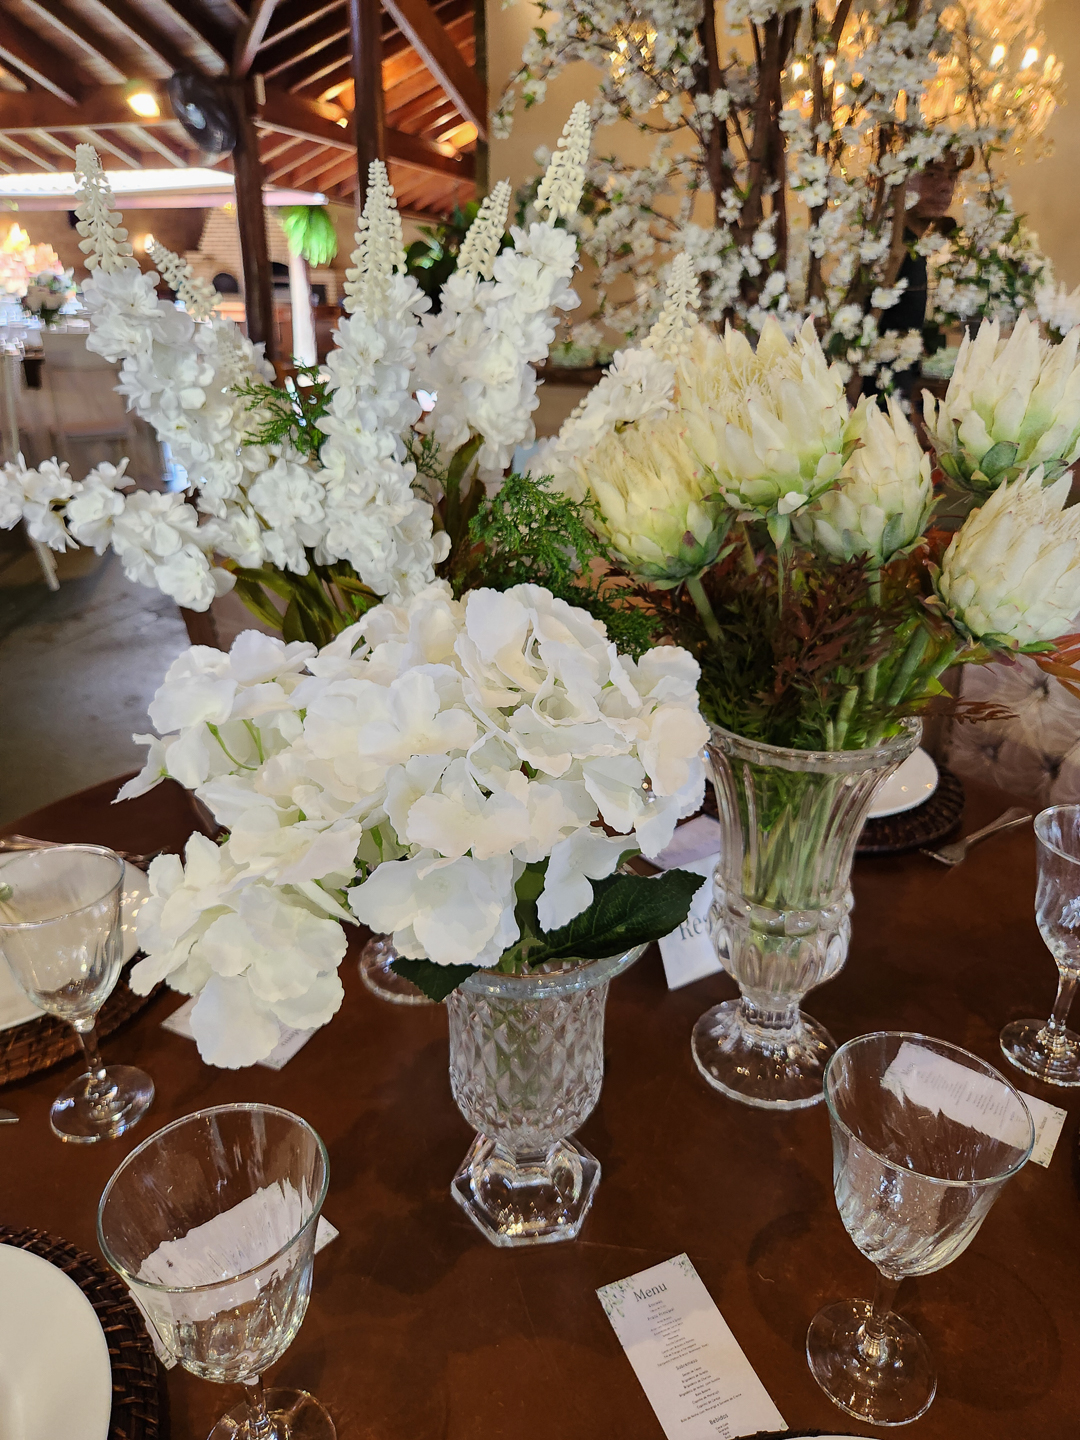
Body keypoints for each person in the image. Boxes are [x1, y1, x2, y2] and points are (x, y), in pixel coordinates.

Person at [866, 148, 972, 401]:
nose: (945, 187)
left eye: (952, 176)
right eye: (932, 174)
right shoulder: (889, 250)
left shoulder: (910, 248)